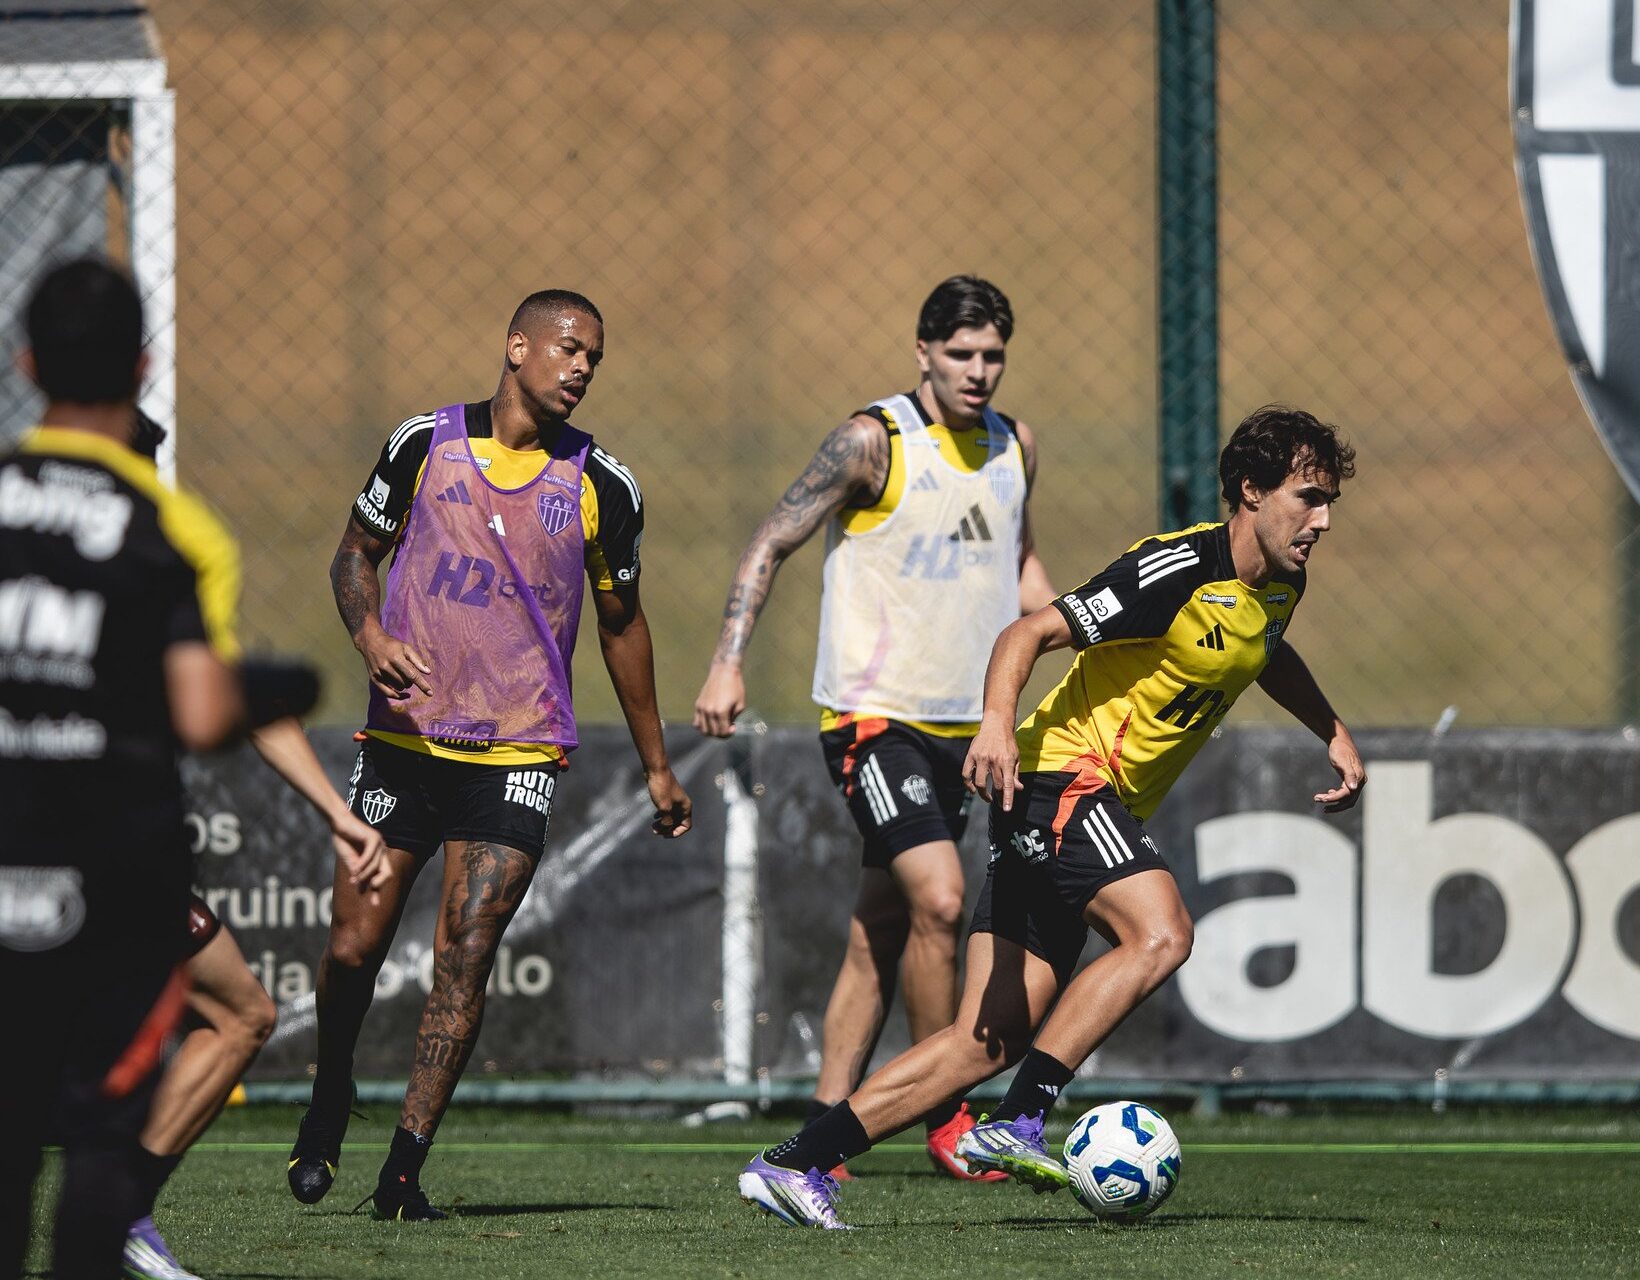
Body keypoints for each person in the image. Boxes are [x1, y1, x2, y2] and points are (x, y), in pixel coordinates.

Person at [738, 405, 1364, 1228]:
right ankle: (1023, 1119)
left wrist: (1332, 730)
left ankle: (794, 1164)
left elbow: (1264, 650)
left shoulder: (1283, 582)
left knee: (983, 1041)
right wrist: (996, 725)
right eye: (1306, 496)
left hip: (1074, 798)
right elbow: (1027, 632)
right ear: (1249, 491)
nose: (1320, 519)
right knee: (1161, 933)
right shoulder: (1173, 571)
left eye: (1328, 503)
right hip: (1061, 779)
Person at [289, 289, 692, 1222]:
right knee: (354, 947)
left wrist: (657, 764)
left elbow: (622, 625)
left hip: (518, 751)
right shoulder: (422, 443)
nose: (583, 367)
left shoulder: (605, 484)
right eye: (567, 347)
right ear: (516, 347)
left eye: (595, 354)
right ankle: (329, 1094)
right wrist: (369, 636)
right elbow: (356, 556)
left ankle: (401, 1176)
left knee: (465, 954)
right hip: (404, 744)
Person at [694, 275, 1053, 1178]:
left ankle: (827, 1112)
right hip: (871, 715)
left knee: (879, 924)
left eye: (993, 355)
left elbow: (1020, 564)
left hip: (964, 728)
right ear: (923, 353)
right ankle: (946, 1115)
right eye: (962, 354)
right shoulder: (871, 442)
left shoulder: (1015, 445)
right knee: (938, 898)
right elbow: (771, 538)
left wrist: (1079, 635)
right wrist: (727, 660)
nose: (979, 372)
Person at [0, 259, 311, 1278]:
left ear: (27, 362)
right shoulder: (171, 530)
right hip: (113, 884)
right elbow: (200, 709)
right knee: (97, 1145)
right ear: (141, 365)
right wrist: (283, 679)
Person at [119, 407, 399, 1280]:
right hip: (92, 845)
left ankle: (121, 1213)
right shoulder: (163, 552)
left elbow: (228, 696)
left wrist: (337, 811)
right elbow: (222, 702)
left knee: (239, 1011)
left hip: (98, 849)